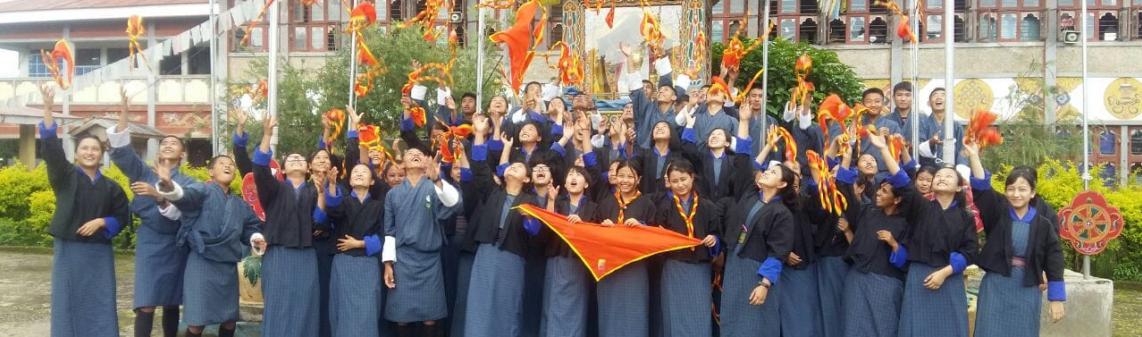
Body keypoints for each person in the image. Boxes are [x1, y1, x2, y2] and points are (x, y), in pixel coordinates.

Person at [39, 85, 131, 337]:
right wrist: (48, 109)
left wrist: (103, 221)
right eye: (84, 149)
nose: (90, 152)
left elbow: (123, 216)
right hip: (70, 251)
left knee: (100, 299)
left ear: (102, 155)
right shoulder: (64, 176)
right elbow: (51, 148)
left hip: (99, 253)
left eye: (95, 149)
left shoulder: (112, 187)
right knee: (68, 298)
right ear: (77, 154)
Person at [873, 132, 977, 337]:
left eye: (948, 176)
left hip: (949, 278)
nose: (941, 178)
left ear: (958, 187)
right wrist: (884, 149)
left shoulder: (965, 217)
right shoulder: (921, 207)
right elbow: (902, 182)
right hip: (920, 276)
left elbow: (971, 250)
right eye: (938, 176)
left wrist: (945, 272)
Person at [107, 90, 191, 337]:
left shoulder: (188, 182)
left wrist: (158, 195)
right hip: (151, 243)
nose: (167, 144)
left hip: (176, 244)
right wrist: (124, 114)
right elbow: (122, 151)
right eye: (164, 142)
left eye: (173, 143)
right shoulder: (143, 172)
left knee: (172, 300)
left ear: (182, 155)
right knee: (145, 301)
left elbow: (186, 211)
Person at [153, 155, 264, 337]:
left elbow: (251, 227)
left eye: (231, 165)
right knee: (197, 322)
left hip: (227, 266)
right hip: (202, 262)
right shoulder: (202, 191)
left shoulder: (240, 204)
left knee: (229, 321)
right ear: (211, 172)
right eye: (222, 163)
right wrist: (169, 186)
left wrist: (255, 238)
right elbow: (186, 196)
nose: (228, 166)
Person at [966, 144, 1067, 337]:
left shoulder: (1043, 224)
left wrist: (1056, 298)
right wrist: (974, 157)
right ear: (1005, 192)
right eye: (1011, 189)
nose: (1016, 194)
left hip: (1027, 286)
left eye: (1022, 189)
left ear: (1032, 193)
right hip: (996, 285)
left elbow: (1055, 259)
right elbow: (982, 188)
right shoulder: (997, 213)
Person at [462, 124, 544, 337]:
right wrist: (479, 133)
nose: (513, 168)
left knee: (508, 305)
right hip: (487, 253)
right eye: (511, 166)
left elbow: (536, 232)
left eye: (519, 168)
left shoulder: (531, 201)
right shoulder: (492, 191)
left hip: (513, 256)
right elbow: (479, 167)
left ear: (527, 179)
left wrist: (529, 221)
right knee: (479, 302)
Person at [250, 116, 325, 337]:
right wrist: (266, 135)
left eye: (301, 159)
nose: (296, 160)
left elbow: (320, 221)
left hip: (306, 256)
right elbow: (260, 168)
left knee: (306, 308)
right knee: (278, 307)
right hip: (279, 254)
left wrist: (321, 193)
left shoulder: (314, 190)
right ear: (282, 169)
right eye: (291, 159)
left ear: (308, 168)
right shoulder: (273, 189)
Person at [382, 135, 462, 337]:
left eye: (419, 154)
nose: (416, 155)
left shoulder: (434, 186)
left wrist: (437, 178)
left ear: (426, 162)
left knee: (430, 317)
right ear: (403, 164)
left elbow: (455, 204)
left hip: (429, 260)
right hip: (403, 260)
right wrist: (388, 264)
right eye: (411, 154)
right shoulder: (393, 194)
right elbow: (389, 231)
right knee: (401, 316)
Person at [834, 139, 910, 337]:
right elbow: (846, 193)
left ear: (897, 199)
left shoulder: (905, 222)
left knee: (883, 328)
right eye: (879, 189)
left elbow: (906, 259)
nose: (878, 194)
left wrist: (893, 243)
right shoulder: (868, 211)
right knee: (852, 326)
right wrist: (848, 156)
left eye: (884, 192)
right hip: (858, 278)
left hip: (886, 283)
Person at [717, 158, 796, 337]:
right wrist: (746, 129)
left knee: (756, 324)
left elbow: (778, 253)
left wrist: (764, 284)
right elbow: (746, 164)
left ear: (782, 184)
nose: (768, 172)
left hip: (757, 271)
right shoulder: (750, 195)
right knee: (731, 318)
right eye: (768, 170)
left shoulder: (782, 213)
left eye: (774, 172)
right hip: (735, 266)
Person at [650, 160, 721, 337]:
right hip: (674, 267)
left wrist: (714, 239)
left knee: (699, 311)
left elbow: (718, 234)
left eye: (683, 179)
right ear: (668, 182)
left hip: (700, 268)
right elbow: (656, 236)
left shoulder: (707, 206)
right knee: (674, 312)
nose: (680, 185)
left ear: (692, 177)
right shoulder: (664, 207)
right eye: (675, 181)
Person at [594, 160, 657, 337]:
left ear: (639, 179)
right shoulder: (606, 203)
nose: (625, 180)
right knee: (609, 310)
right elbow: (592, 234)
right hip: (608, 266)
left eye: (630, 176)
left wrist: (642, 226)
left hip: (635, 267)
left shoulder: (647, 204)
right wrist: (601, 228)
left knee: (634, 311)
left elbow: (657, 235)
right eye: (621, 175)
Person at [539, 165, 599, 337]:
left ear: (586, 184)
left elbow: (595, 238)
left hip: (579, 264)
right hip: (556, 261)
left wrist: (583, 226)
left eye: (578, 175)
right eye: (570, 175)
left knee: (576, 308)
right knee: (551, 306)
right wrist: (550, 201)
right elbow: (546, 231)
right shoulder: (557, 202)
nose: (573, 177)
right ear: (565, 183)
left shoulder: (593, 208)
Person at [917, 88, 966, 167]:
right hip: (927, 171)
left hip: (950, 170)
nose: (939, 97)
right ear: (929, 103)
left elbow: (962, 150)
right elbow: (917, 148)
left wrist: (961, 171)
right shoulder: (922, 123)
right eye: (935, 95)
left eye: (943, 95)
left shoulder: (956, 125)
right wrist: (931, 143)